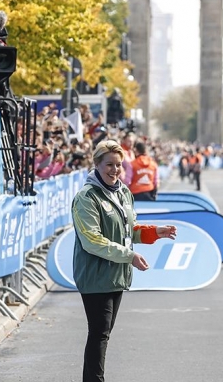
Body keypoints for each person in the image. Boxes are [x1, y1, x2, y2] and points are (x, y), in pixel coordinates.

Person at [71, 140, 177, 382]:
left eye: (118, 165)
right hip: (95, 276)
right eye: (109, 164)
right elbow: (92, 240)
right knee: (99, 333)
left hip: (116, 274)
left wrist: (154, 232)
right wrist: (129, 256)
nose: (114, 170)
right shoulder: (86, 197)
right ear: (96, 164)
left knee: (103, 334)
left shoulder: (123, 192)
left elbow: (129, 230)